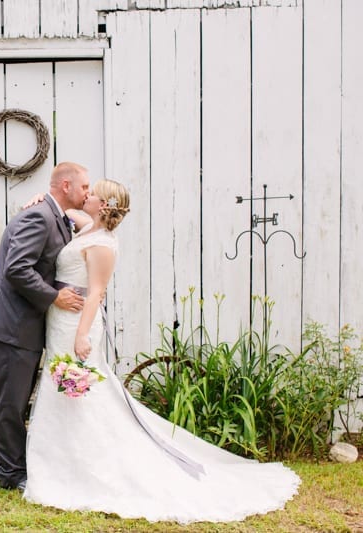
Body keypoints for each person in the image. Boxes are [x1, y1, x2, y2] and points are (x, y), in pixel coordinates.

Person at [23, 179, 301, 523]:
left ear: (105, 204)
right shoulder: (87, 228)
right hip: (60, 321)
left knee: (84, 391)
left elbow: (95, 292)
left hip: (77, 324)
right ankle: (60, 460)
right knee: (63, 388)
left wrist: (82, 336)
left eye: (93, 193)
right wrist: (40, 198)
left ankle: (83, 467)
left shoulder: (102, 244)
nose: (87, 195)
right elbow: (68, 210)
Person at [0, 161, 91, 492]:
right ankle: (11, 474)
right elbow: (16, 269)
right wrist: (55, 297)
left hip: (26, 328)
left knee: (18, 401)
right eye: (84, 186)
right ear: (65, 186)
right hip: (9, 326)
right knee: (9, 404)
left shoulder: (56, 216)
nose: (87, 192)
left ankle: (19, 466)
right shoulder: (38, 216)